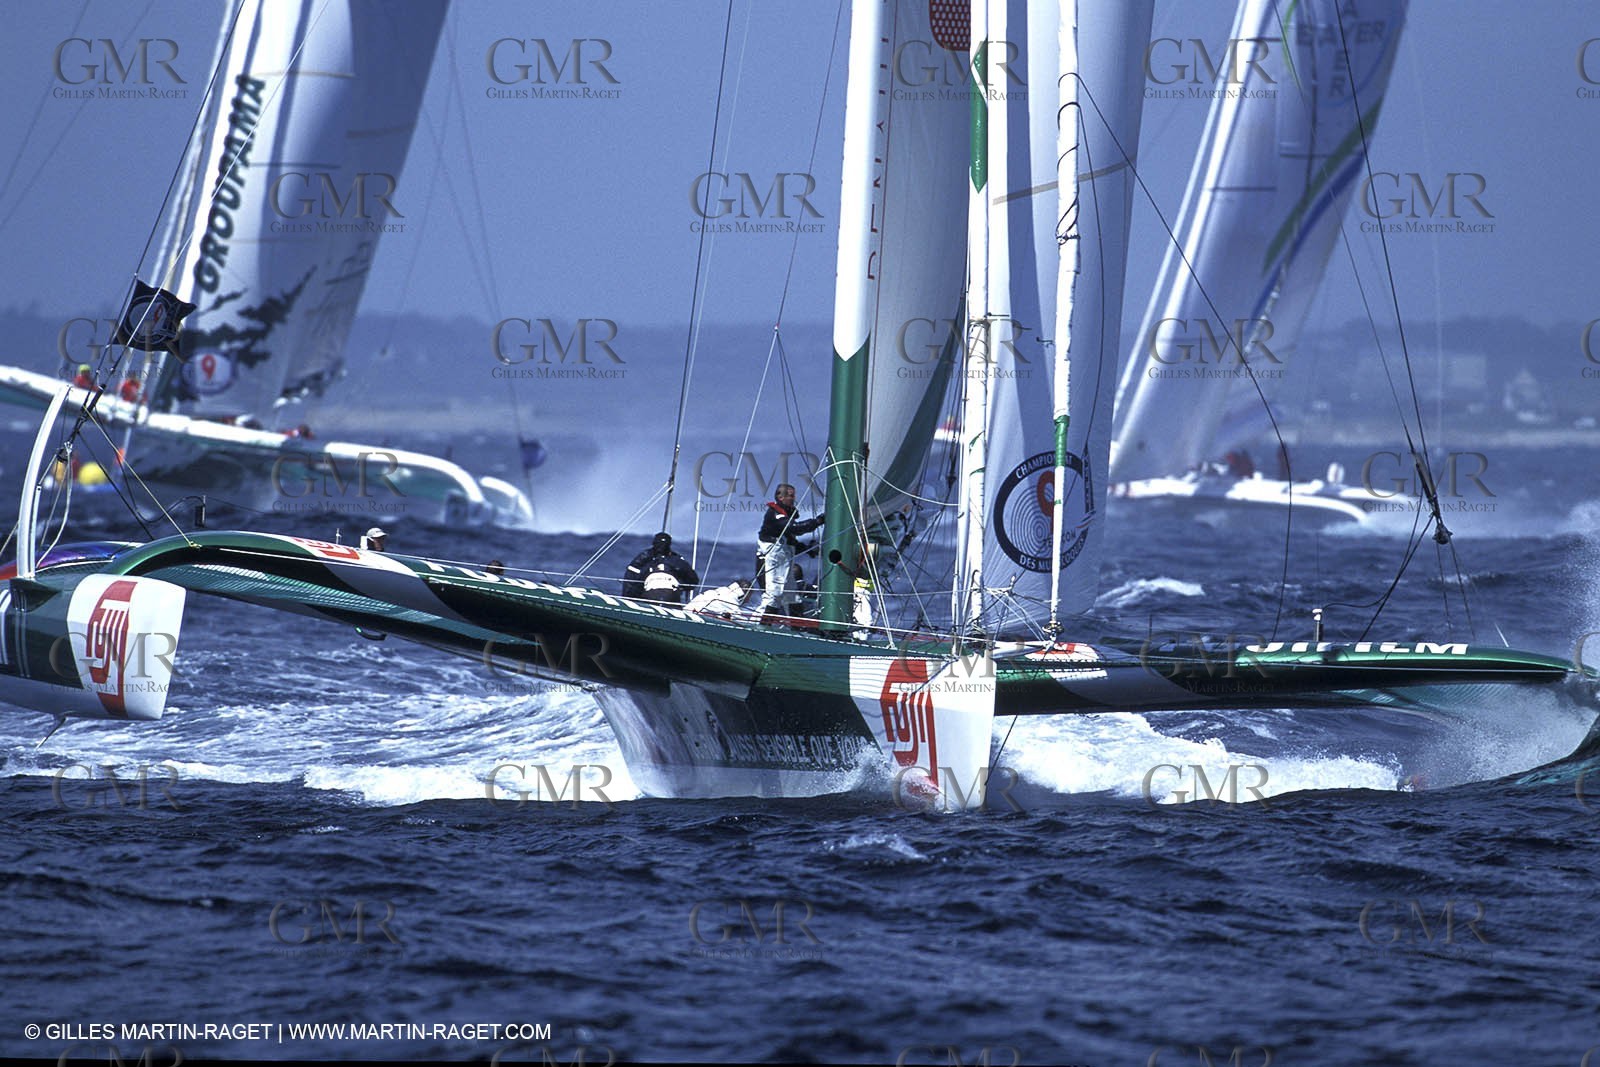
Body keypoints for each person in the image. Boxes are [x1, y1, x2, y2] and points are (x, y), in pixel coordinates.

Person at [754, 483, 825, 619]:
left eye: (794, 496)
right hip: (770, 562)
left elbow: (790, 542)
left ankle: (797, 628)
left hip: (783, 562)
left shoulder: (787, 515)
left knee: (792, 596)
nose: (793, 499)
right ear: (780, 497)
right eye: (790, 496)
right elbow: (794, 528)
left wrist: (808, 549)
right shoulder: (775, 514)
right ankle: (762, 625)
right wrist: (818, 521)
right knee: (774, 595)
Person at [621, 532, 699, 604]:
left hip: (652, 595)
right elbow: (692, 580)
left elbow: (631, 581)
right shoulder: (676, 560)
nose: (661, 547)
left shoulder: (645, 560)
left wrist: (627, 600)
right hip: (670, 596)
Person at [685, 578, 751, 621]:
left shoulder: (720, 590)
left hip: (686, 612)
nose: (747, 601)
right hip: (694, 618)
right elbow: (742, 621)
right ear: (744, 593)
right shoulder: (730, 600)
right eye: (749, 596)